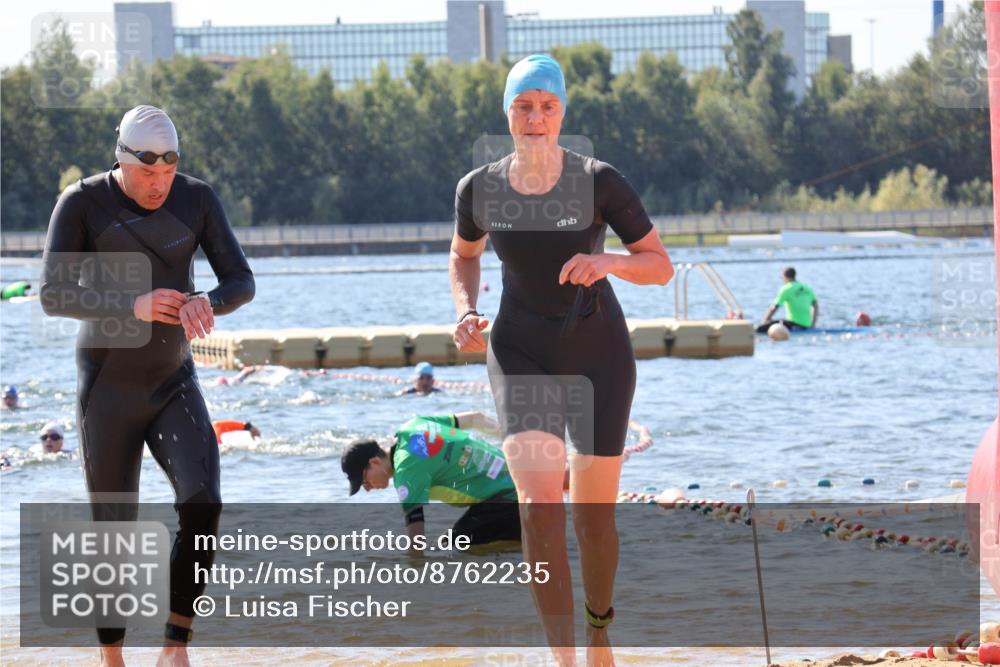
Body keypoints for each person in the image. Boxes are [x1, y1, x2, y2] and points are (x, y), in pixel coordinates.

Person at [449, 54, 673, 666]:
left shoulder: (600, 181)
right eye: (523, 105)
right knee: (539, 511)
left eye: (547, 106)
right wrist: (467, 309)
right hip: (519, 348)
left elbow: (660, 264)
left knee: (593, 522)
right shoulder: (481, 188)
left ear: (562, 113)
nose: (535, 117)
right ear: (507, 113)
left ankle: (599, 629)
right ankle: (563, 659)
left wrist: (610, 263)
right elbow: (464, 255)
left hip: (597, 350)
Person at [41, 104, 254, 667]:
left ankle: (175, 648)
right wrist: (132, 304)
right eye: (147, 174)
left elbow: (241, 280)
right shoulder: (82, 202)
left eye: (168, 173)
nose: (160, 186)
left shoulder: (198, 198)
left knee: (204, 503)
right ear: (122, 159)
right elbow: (53, 295)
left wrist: (211, 300)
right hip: (107, 387)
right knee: (114, 530)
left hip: (171, 381)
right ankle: (112, 658)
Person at [341, 411, 520, 551]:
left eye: (364, 481)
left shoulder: (406, 471)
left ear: (374, 462)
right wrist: (518, 445)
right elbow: (476, 418)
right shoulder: (413, 426)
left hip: (509, 498)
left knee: (451, 547)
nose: (367, 488)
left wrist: (415, 569)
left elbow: (417, 539)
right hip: (520, 476)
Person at [756, 267, 819, 333]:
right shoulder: (807, 287)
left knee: (759, 329)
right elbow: (816, 305)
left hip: (793, 324)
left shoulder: (786, 288)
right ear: (795, 275)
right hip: (807, 325)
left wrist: (765, 321)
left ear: (784, 276)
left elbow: (774, 307)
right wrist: (813, 324)